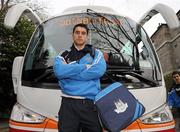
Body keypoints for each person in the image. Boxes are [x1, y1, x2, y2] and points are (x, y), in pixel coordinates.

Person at [53, 23, 106, 132]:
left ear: (87, 36)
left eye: (83, 33)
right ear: (72, 35)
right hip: (67, 105)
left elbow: (98, 70)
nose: (80, 35)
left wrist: (69, 72)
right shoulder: (63, 54)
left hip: (90, 105)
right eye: (77, 32)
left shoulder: (95, 53)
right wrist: (84, 66)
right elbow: (59, 71)